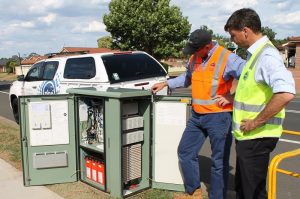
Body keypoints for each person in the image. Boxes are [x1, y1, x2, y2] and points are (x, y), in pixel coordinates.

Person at [151, 29, 245, 199]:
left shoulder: (227, 58)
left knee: (218, 162)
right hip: (197, 116)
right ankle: (193, 192)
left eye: (196, 49)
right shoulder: (195, 57)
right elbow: (187, 78)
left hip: (219, 117)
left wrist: (231, 97)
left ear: (208, 46)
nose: (192, 53)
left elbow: (249, 78)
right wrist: (167, 83)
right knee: (185, 152)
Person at [224, 8, 296, 199]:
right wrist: (232, 99)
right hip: (249, 137)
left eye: (233, 35)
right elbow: (254, 92)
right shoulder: (254, 55)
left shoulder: (266, 56)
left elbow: (286, 93)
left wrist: (256, 122)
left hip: (256, 136)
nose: (233, 40)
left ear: (245, 31)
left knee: (253, 193)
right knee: (244, 188)